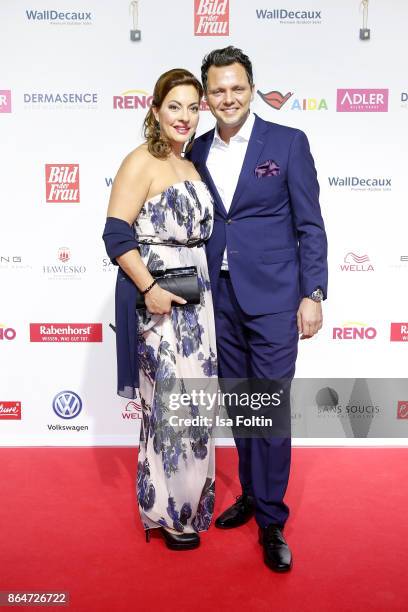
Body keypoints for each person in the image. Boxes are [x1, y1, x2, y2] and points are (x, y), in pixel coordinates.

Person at [189, 47, 328, 571]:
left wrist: (312, 294)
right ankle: (250, 492)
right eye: (218, 90)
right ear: (207, 97)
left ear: (251, 89)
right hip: (216, 299)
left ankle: (272, 517)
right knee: (241, 406)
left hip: (274, 299)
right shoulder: (196, 151)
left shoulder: (288, 144)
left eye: (237, 88)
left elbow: (310, 225)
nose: (228, 98)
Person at [103, 69, 217, 551]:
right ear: (155, 109)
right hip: (157, 302)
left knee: (197, 405)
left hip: (199, 298)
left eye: (193, 107)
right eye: (176, 106)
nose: (185, 117)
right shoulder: (141, 161)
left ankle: (190, 505)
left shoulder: (191, 165)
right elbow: (115, 235)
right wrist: (148, 287)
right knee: (168, 405)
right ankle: (167, 511)